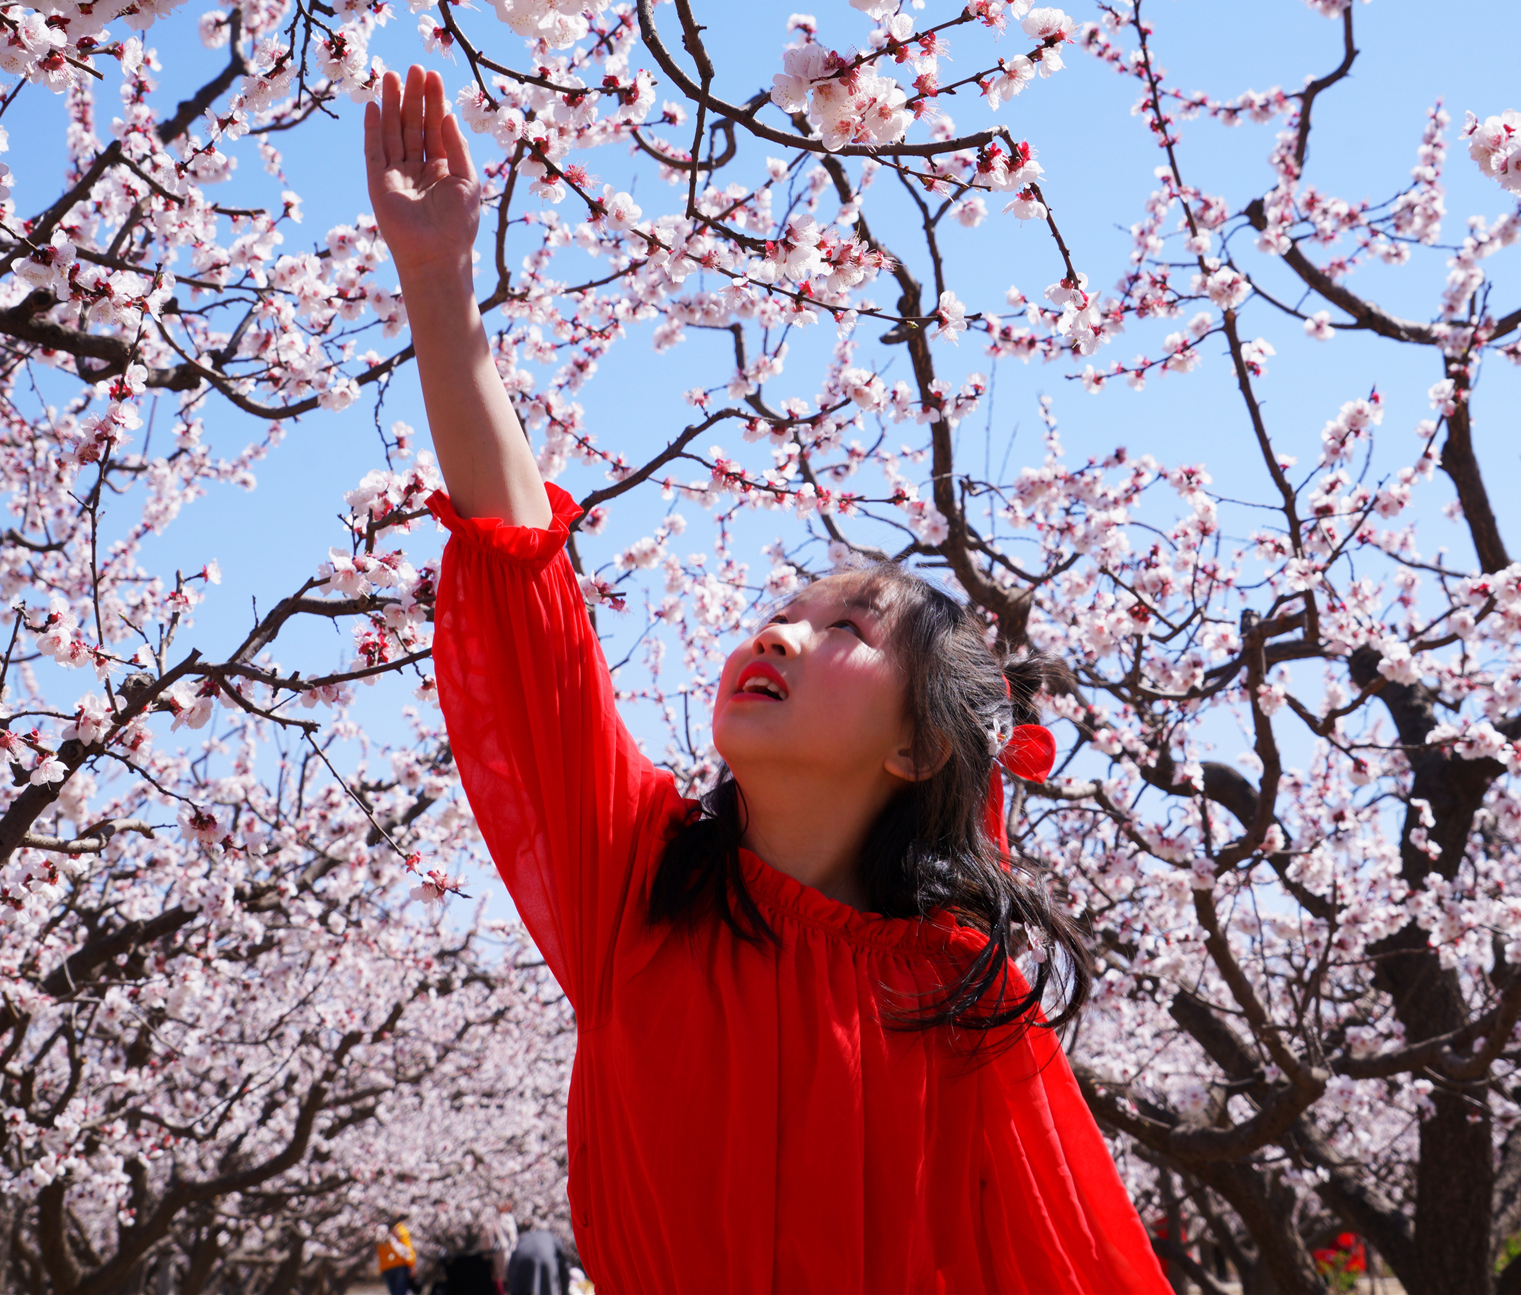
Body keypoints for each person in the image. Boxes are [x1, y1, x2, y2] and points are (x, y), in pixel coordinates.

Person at [366, 63, 1171, 1294]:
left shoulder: (963, 992)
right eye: (778, 612)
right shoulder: (635, 885)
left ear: (918, 747)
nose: (779, 633)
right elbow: (530, 599)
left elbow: (1071, 1263)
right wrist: (440, 288)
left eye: (846, 625)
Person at [376, 1217, 418, 1295]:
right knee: (401, 1292)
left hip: (386, 1267)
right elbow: (407, 1249)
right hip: (400, 1266)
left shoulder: (380, 1231)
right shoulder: (400, 1228)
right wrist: (412, 1265)